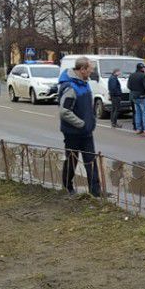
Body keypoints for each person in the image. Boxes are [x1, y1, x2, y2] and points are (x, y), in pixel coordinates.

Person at [58, 56, 101, 197]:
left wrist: (91, 120)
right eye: (90, 69)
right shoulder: (70, 87)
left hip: (86, 132)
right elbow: (64, 111)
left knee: (91, 161)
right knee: (72, 160)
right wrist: (81, 124)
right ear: (82, 69)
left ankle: (95, 193)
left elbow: (87, 106)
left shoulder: (84, 83)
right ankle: (67, 186)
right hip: (73, 132)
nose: (91, 72)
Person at [127, 63, 145, 134]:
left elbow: (128, 86)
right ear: (142, 68)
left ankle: (138, 128)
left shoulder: (131, 75)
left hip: (134, 96)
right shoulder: (144, 76)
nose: (144, 69)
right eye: (144, 68)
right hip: (143, 96)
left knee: (137, 113)